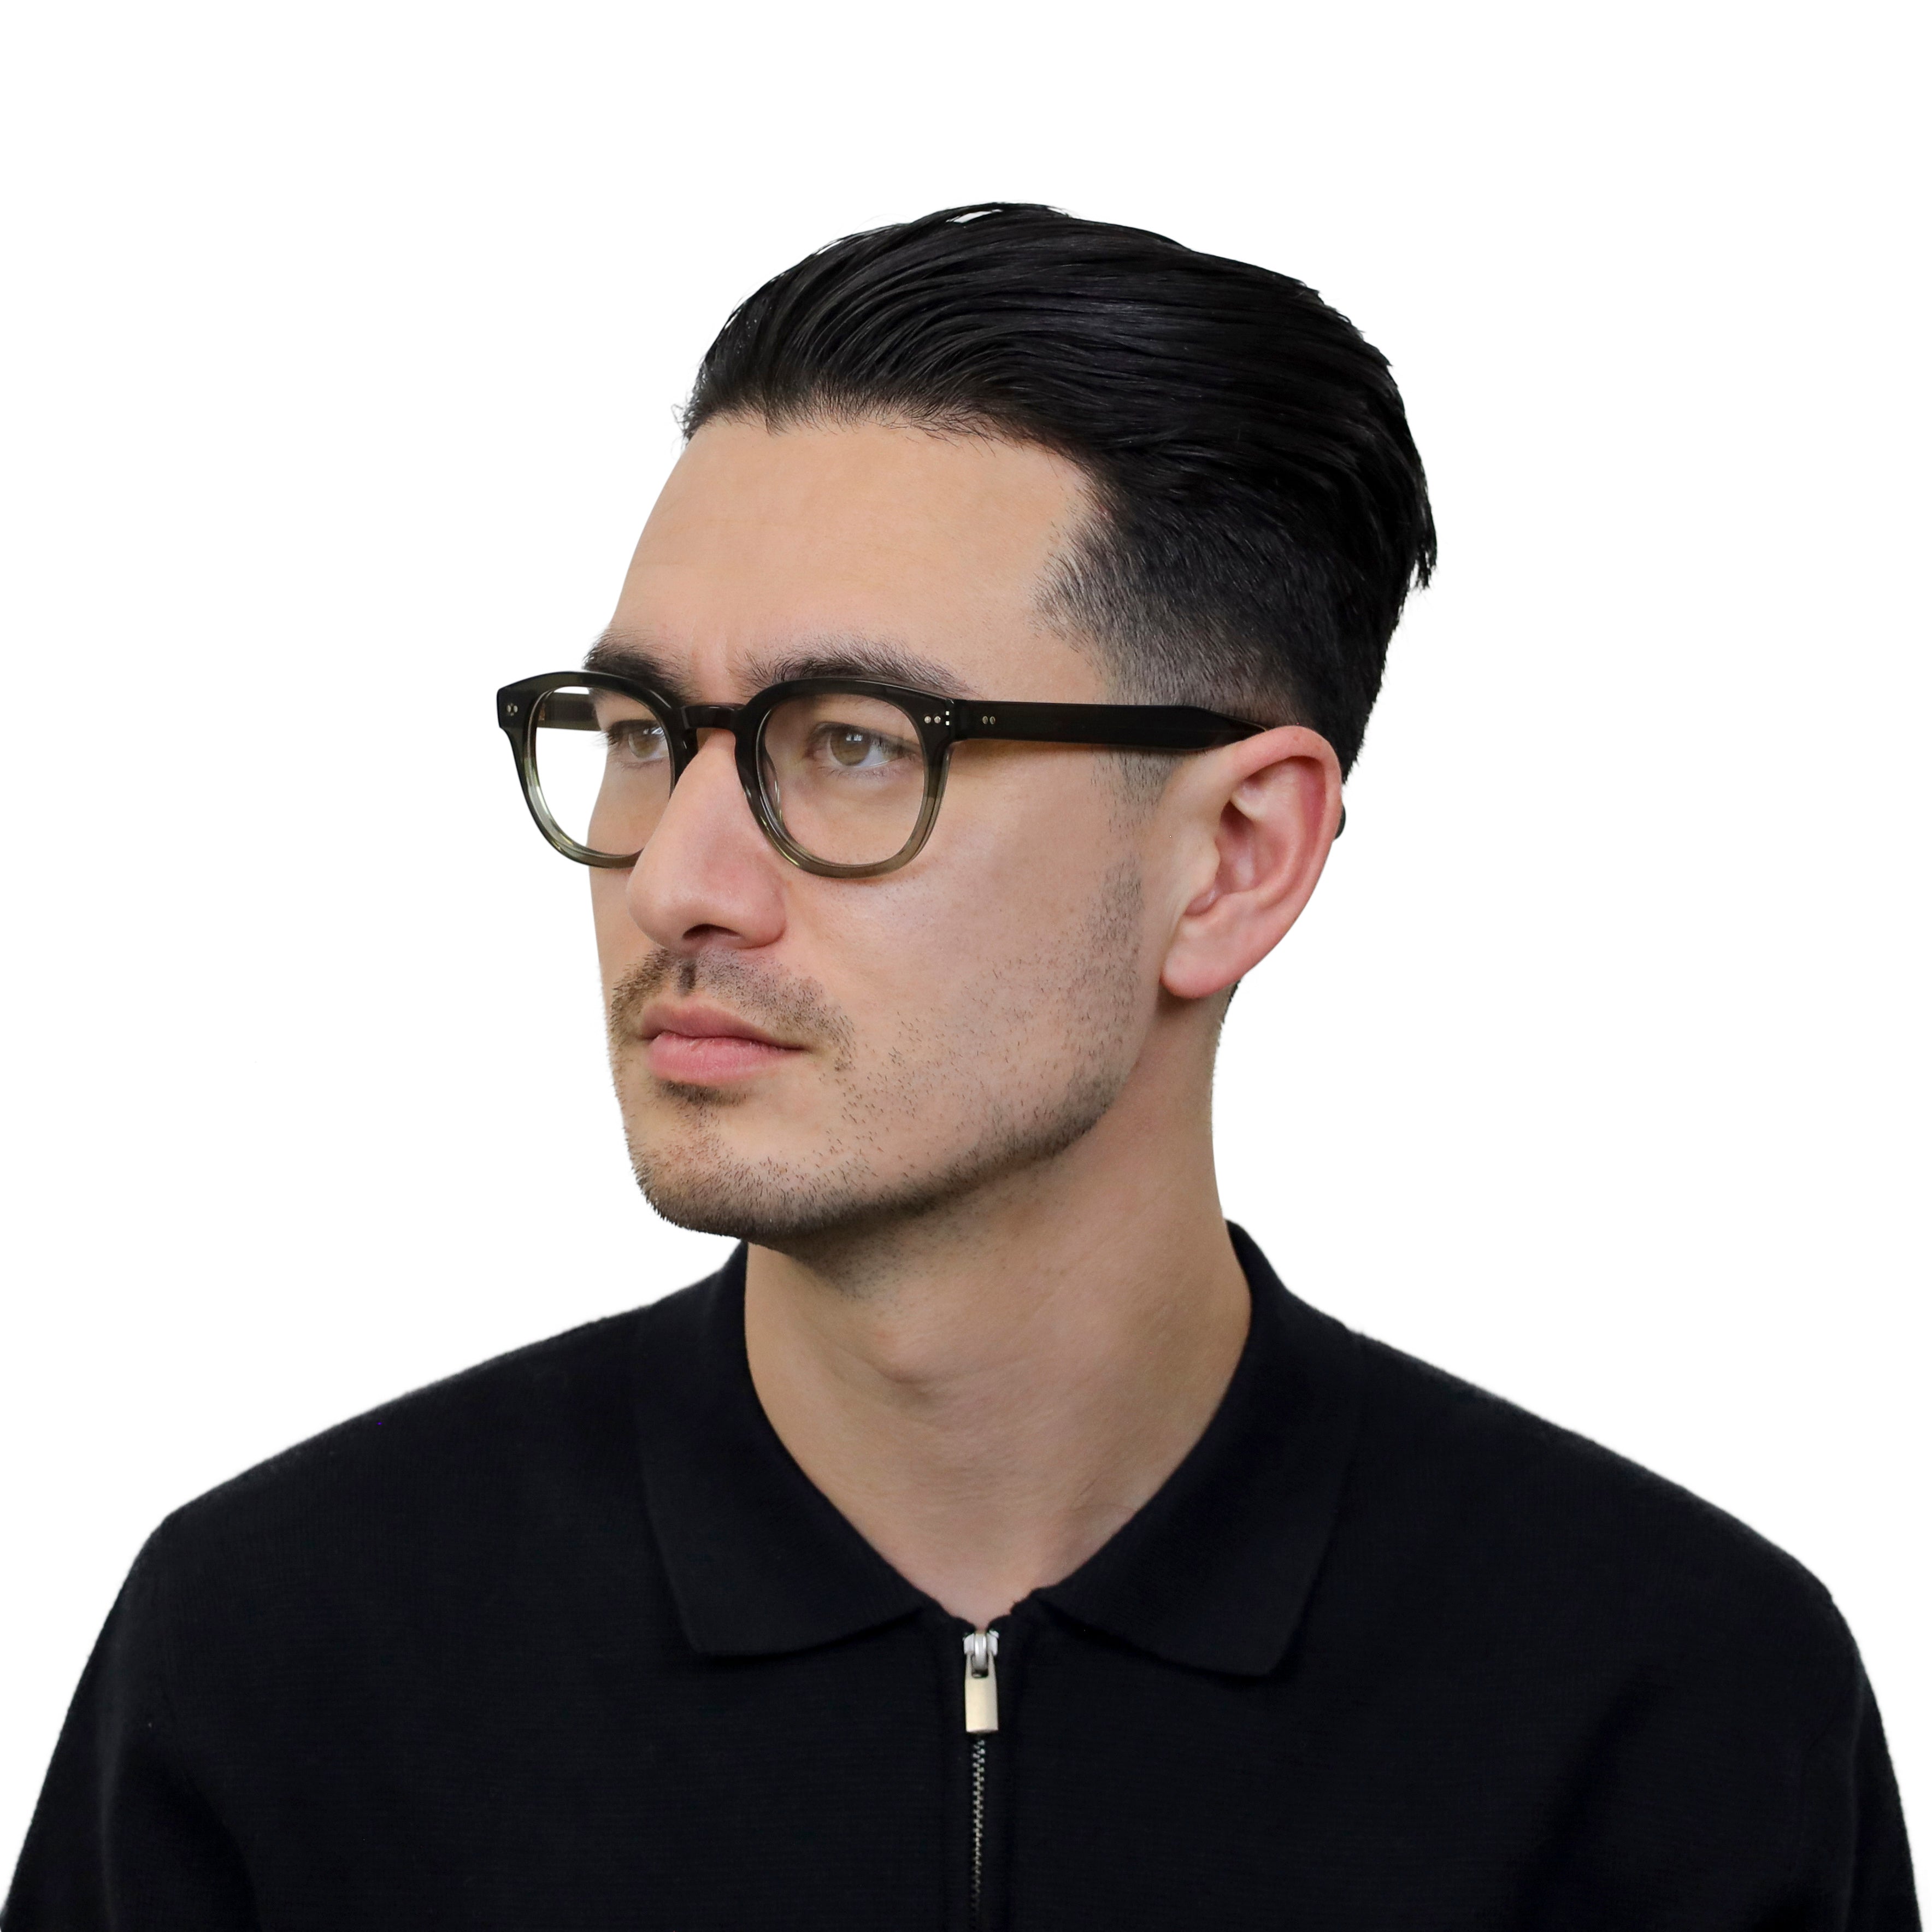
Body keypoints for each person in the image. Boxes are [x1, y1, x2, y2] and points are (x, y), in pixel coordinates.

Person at [4, 203, 1916, 1931]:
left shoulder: (1674, 1709)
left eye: (852, 743)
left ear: (1234, 860)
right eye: (643, 729)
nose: (676, 878)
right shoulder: (281, 1665)